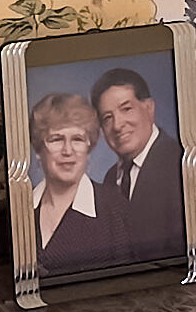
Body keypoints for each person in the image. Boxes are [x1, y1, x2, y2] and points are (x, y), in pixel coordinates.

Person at [93, 66, 187, 267]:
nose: (117, 125)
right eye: (107, 118)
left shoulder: (179, 164)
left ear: (149, 108)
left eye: (126, 109)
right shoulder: (111, 177)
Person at [26, 91, 119, 275]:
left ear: (89, 147)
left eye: (77, 139)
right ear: (38, 149)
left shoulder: (115, 212)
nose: (68, 151)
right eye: (56, 139)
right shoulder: (21, 209)